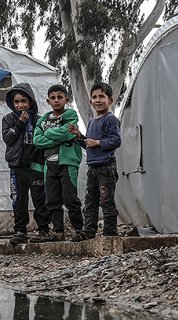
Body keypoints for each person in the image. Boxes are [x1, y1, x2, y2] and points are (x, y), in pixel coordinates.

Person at [68, 82, 122, 242]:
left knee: (106, 200)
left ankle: (110, 233)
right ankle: (89, 231)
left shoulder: (110, 120)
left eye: (101, 96)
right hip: (93, 169)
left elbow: (116, 140)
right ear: (90, 101)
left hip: (106, 167)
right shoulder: (92, 121)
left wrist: (98, 142)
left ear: (110, 100)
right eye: (94, 97)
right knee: (90, 202)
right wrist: (80, 136)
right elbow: (88, 144)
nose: (98, 100)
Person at [2, 83, 50, 245]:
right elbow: (8, 138)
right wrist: (20, 123)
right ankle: (20, 230)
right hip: (17, 167)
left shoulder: (39, 120)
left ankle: (43, 229)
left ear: (31, 102)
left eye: (23, 101)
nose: (20, 105)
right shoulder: (8, 119)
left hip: (36, 166)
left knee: (39, 198)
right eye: (16, 102)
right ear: (12, 104)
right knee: (18, 199)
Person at [34, 84, 84, 241]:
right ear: (48, 101)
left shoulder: (70, 115)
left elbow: (68, 132)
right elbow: (37, 140)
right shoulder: (43, 119)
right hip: (49, 165)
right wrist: (57, 137)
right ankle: (58, 232)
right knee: (51, 199)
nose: (56, 100)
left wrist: (48, 133)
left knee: (70, 198)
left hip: (67, 163)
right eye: (53, 98)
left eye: (60, 97)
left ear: (66, 99)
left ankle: (79, 230)